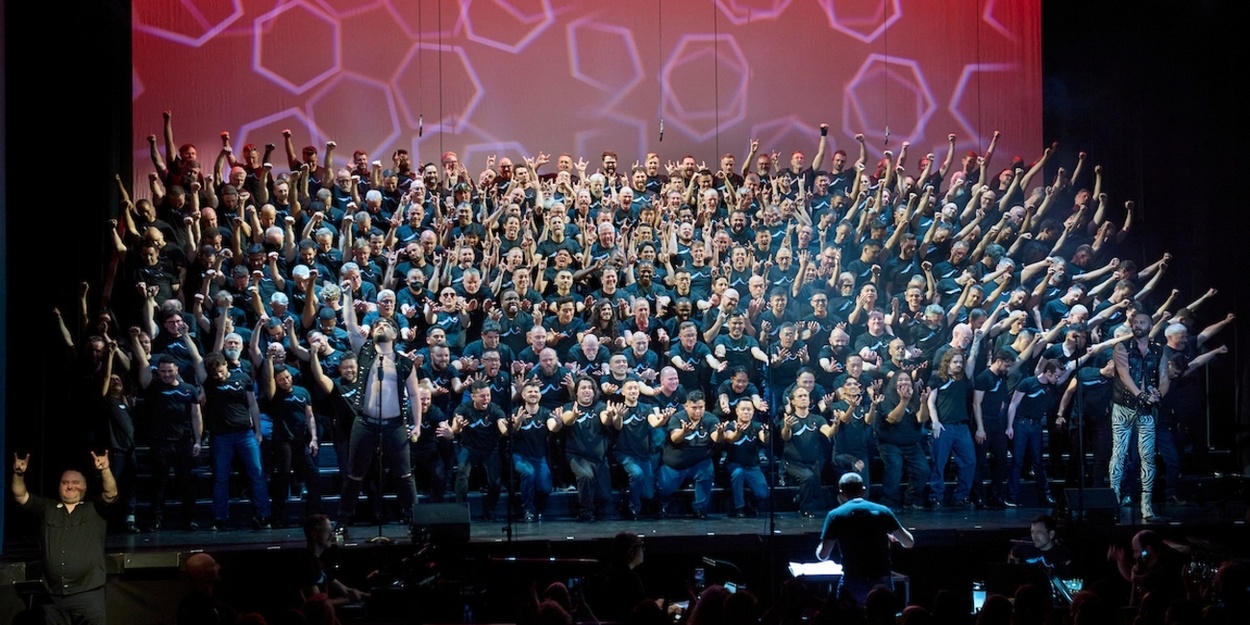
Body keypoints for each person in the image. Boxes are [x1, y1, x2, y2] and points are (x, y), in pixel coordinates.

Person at [336, 310, 421, 535]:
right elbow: (352, 327)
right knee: (354, 474)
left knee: (404, 475)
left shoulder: (404, 363)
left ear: (395, 334)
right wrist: (346, 296)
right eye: (378, 325)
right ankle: (343, 521)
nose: (381, 327)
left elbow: (414, 395)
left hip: (395, 425)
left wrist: (418, 424)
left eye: (386, 325)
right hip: (365, 422)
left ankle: (415, 520)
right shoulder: (364, 352)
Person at [11, 452, 117, 625]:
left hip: (87, 595)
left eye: (75, 483)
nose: (70, 487)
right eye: (65, 483)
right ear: (59, 486)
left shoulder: (95, 509)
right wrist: (19, 474)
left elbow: (111, 493)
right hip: (53, 597)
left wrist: (105, 470)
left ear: (85, 486)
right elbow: (20, 496)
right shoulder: (47, 508)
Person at [198, 351, 272, 530]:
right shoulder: (209, 382)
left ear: (225, 365)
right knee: (221, 477)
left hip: (245, 433)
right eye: (215, 374)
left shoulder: (243, 378)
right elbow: (197, 360)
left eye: (220, 371)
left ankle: (263, 515)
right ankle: (220, 517)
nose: (219, 375)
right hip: (221, 436)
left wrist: (258, 431)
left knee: (257, 473)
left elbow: (253, 404)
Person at [816, 473, 915, 605]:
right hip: (881, 580)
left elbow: (823, 555)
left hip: (853, 580)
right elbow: (909, 543)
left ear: (841, 493)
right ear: (863, 489)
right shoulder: (882, 511)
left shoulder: (835, 515)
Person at [1110, 311, 1168, 520]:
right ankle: (1113, 501)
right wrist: (1141, 395)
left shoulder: (1158, 350)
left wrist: (1158, 393)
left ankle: (1146, 504)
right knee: (1119, 453)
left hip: (1146, 410)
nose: (1138, 325)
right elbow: (1124, 375)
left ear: (1150, 326)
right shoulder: (1122, 346)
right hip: (1123, 407)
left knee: (1147, 456)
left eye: (1142, 322)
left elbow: (1164, 376)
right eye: (1135, 322)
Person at [1008, 514, 1072, 578]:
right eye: (1032, 532)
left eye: (1039, 533)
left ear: (1051, 534)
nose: (1034, 537)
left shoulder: (1062, 554)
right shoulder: (1024, 545)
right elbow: (1013, 556)